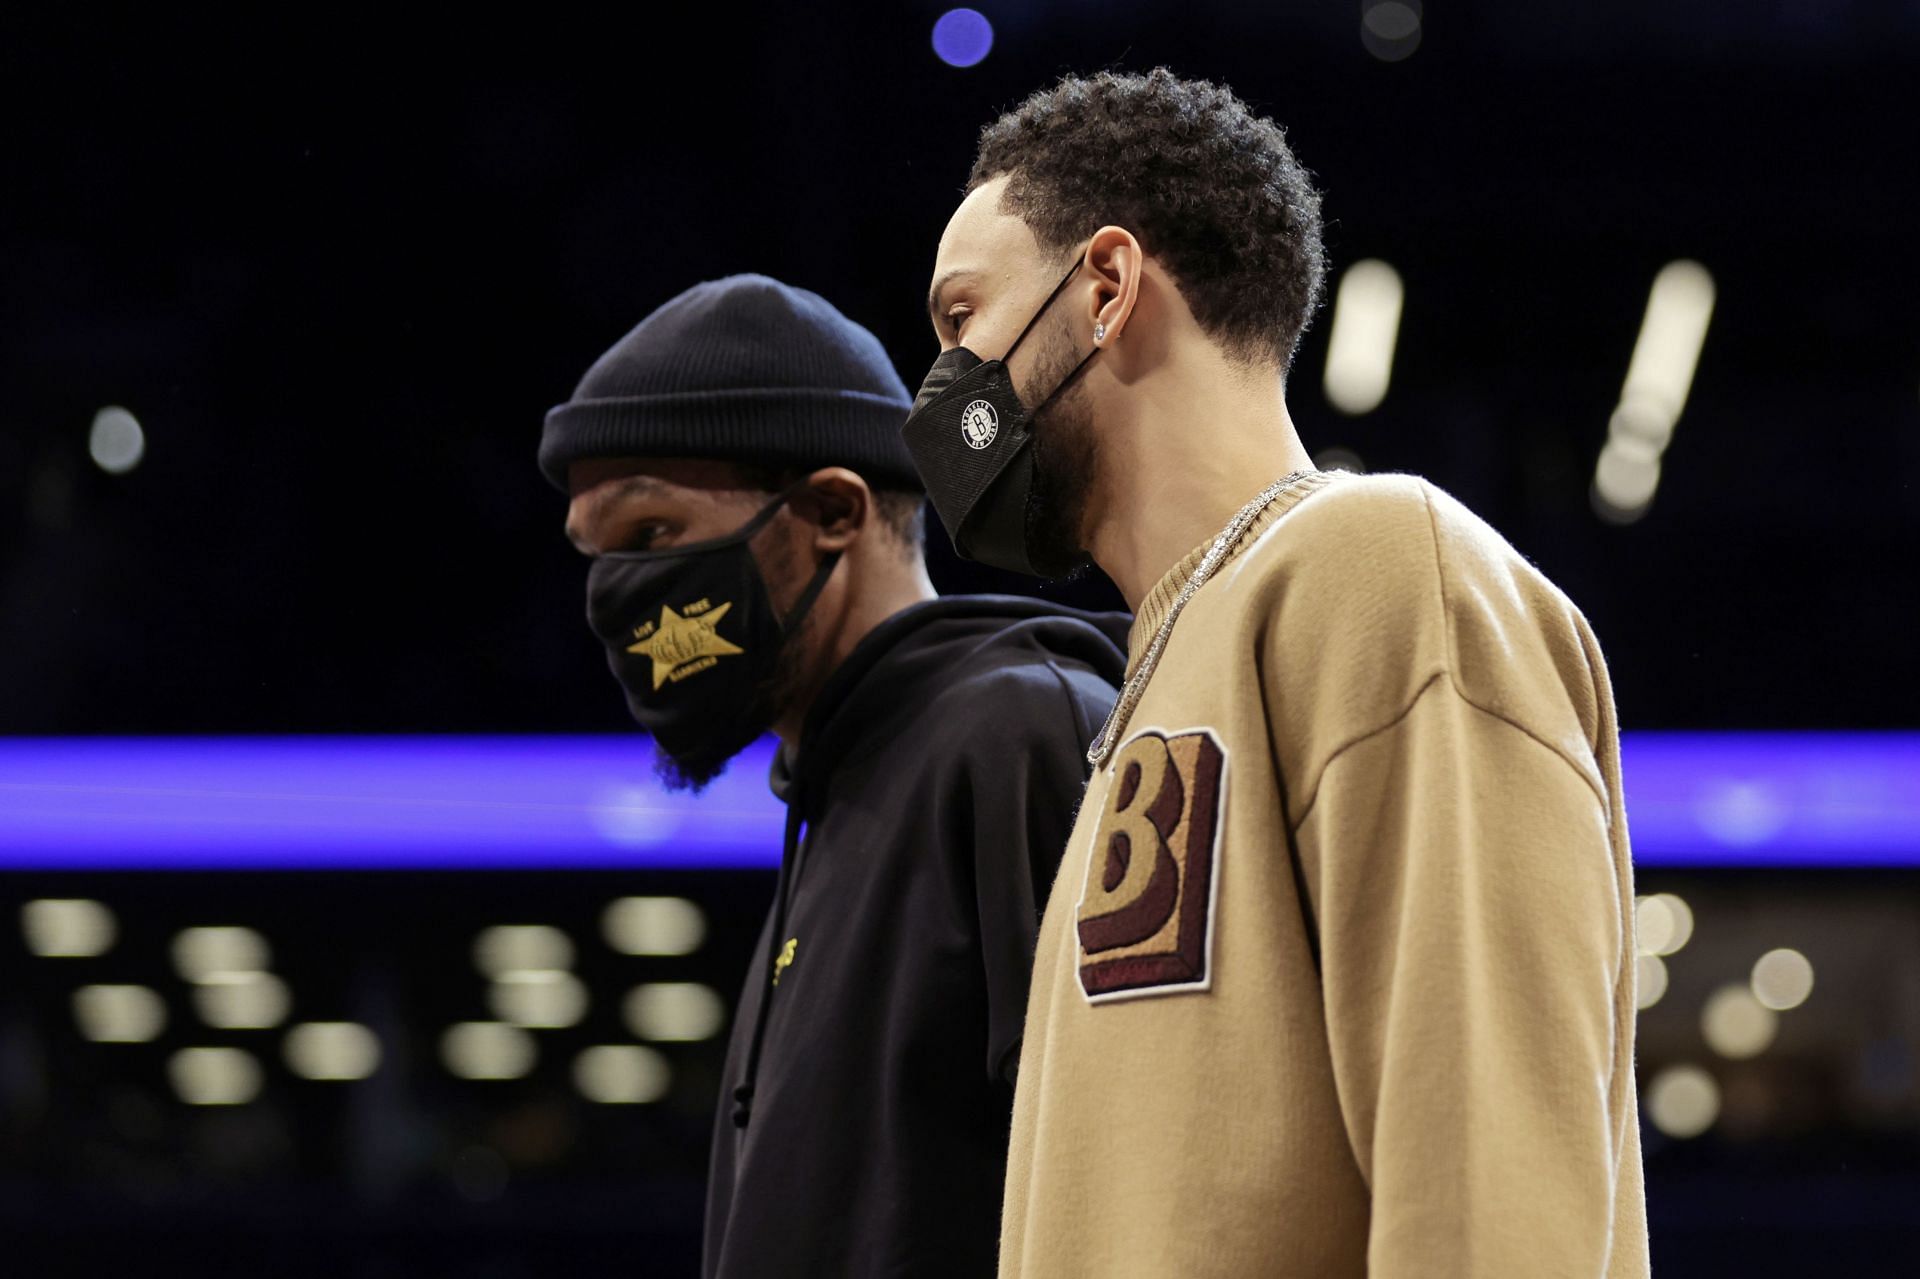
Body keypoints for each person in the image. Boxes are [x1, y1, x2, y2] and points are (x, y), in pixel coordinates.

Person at [902, 70, 1650, 1277]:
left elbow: (1489, 1194)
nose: (943, 390)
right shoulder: (1160, 664)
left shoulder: (1379, 566)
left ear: (1104, 287)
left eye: (959, 320)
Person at [539, 274, 1127, 1278]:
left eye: (651, 536)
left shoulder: (1016, 732)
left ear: (832, 511)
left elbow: (1133, 1181)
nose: (614, 598)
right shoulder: (833, 801)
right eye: (595, 556)